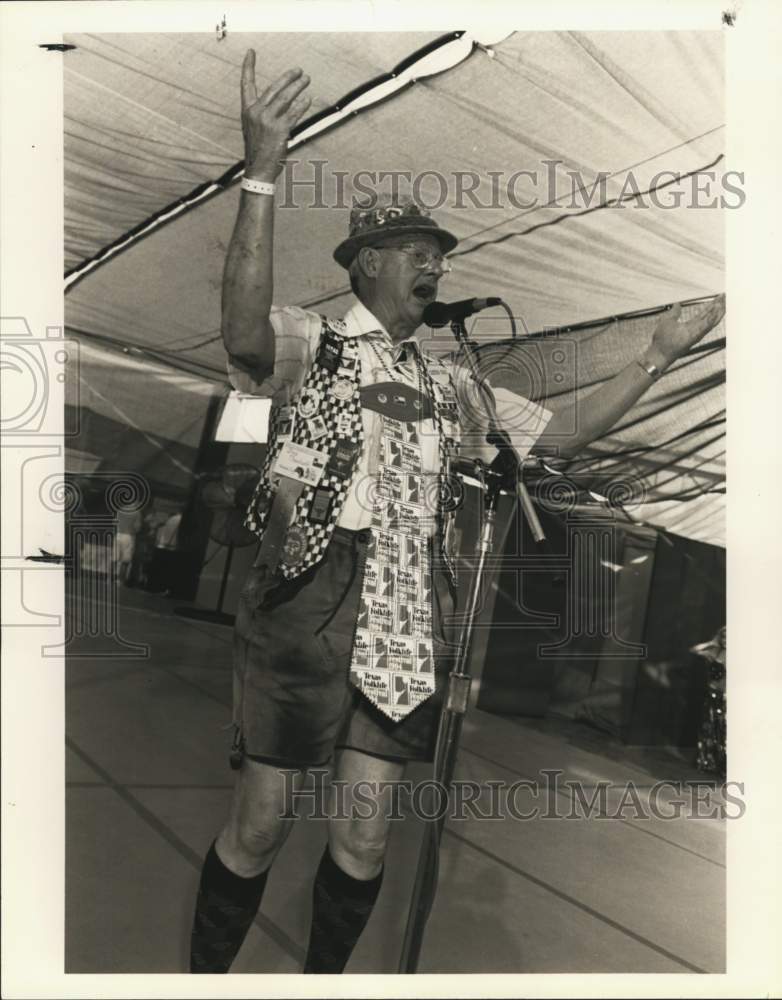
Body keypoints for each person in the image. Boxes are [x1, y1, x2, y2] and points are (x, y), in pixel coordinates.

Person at [188, 52, 726, 975]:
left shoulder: (455, 379)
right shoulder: (312, 342)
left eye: (439, 253)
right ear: (363, 264)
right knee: (264, 823)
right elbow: (240, 333)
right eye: (412, 249)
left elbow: (558, 434)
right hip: (310, 599)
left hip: (408, 614)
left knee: (363, 843)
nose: (434, 262)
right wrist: (263, 173)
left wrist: (659, 355)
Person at [112, 505, 143, 584]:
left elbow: (114, 522)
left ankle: (109, 578)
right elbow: (137, 527)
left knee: (114, 558)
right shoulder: (137, 512)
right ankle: (120, 580)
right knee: (125, 560)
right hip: (128, 536)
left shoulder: (120, 510)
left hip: (118, 534)